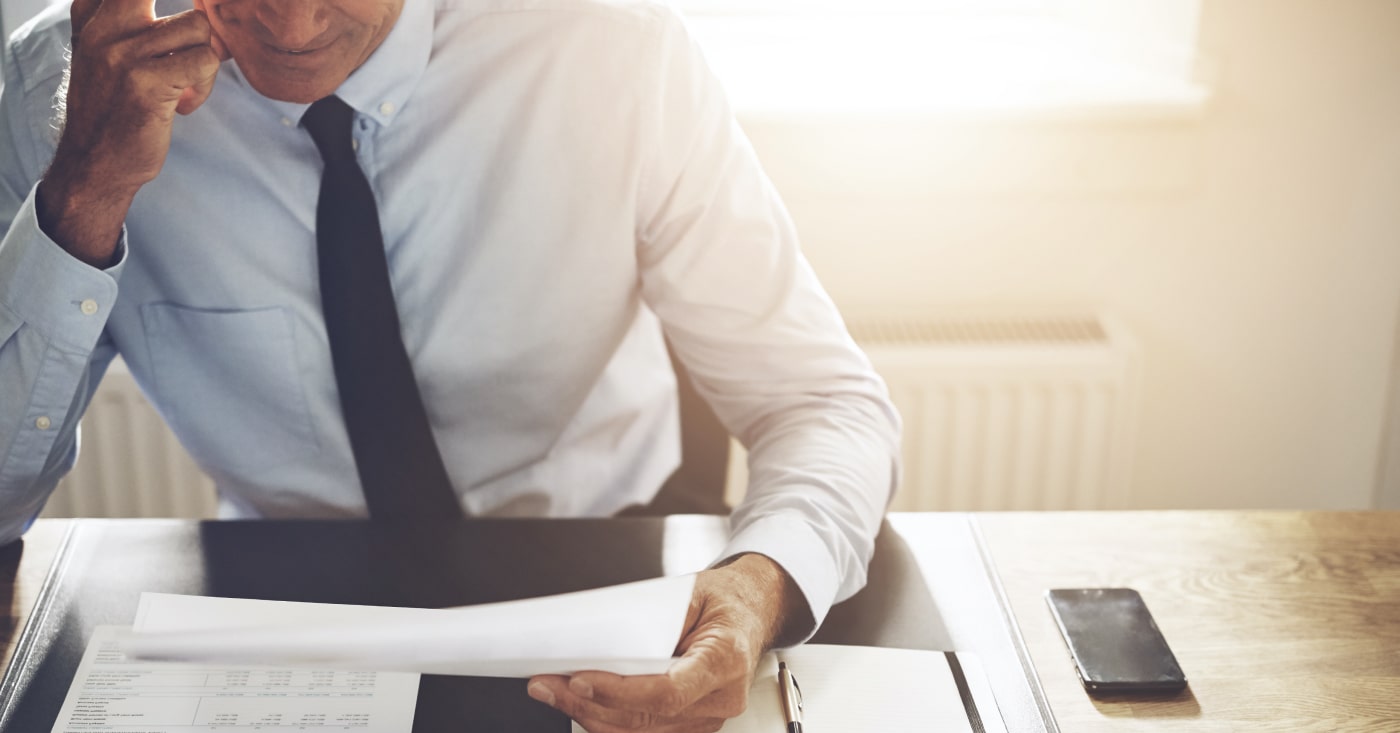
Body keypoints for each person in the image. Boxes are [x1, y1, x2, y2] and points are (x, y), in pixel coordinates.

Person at [0, 0, 900, 730]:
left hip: (605, 580)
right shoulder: (62, 89)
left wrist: (758, 586)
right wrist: (86, 189)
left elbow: (823, 402)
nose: (298, 27)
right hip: (286, 606)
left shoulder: (615, 54)